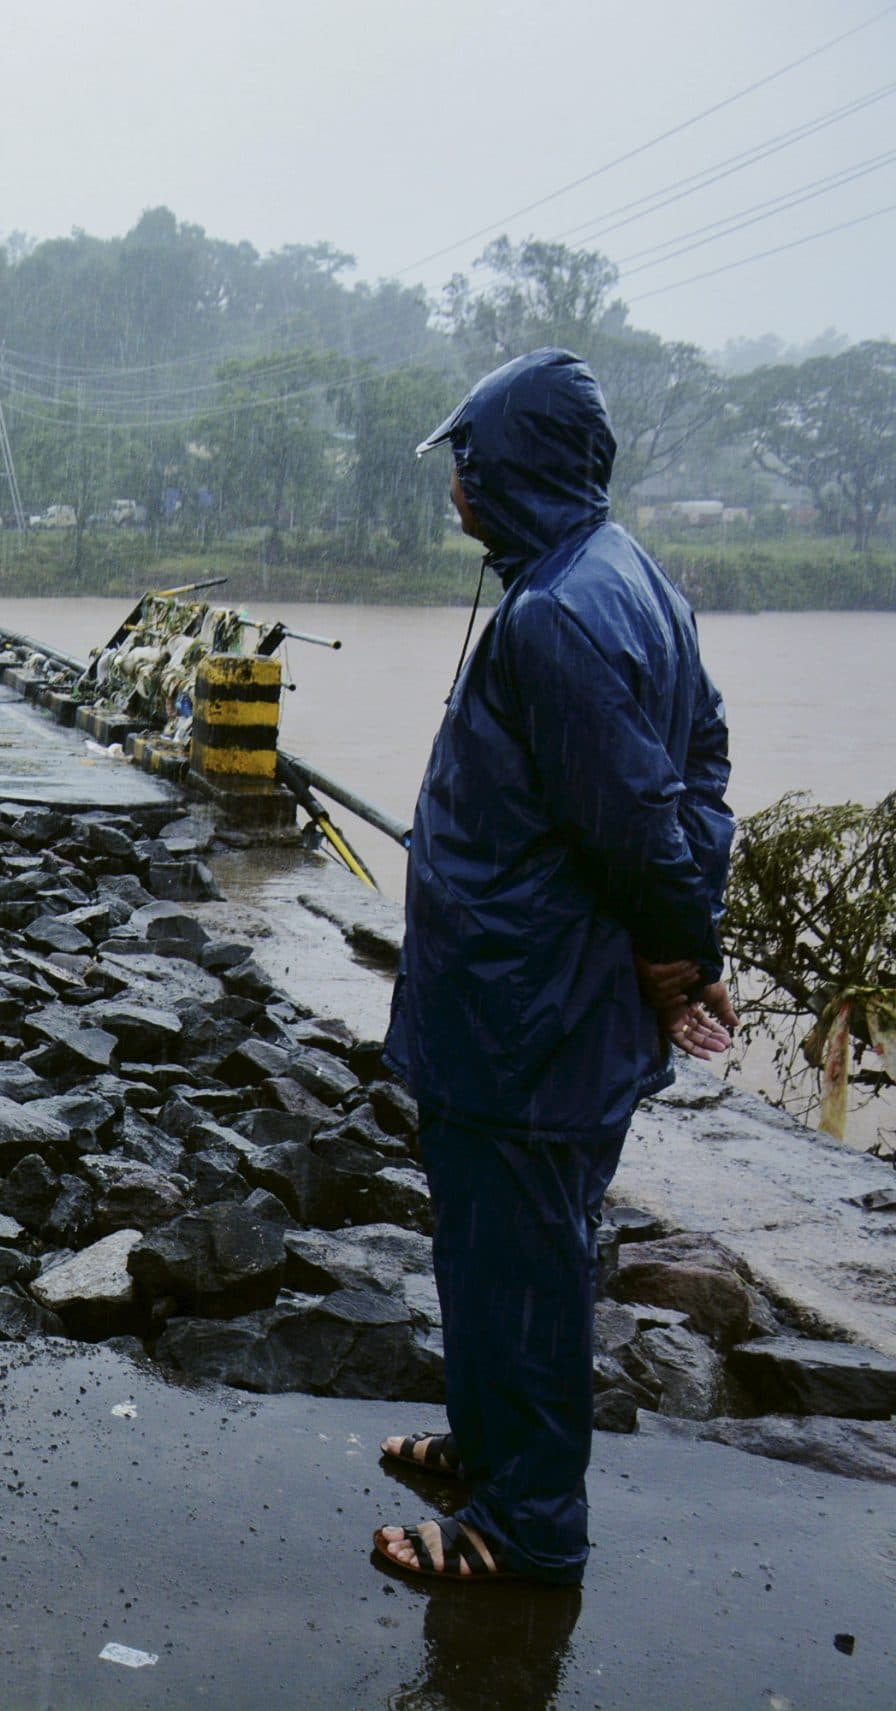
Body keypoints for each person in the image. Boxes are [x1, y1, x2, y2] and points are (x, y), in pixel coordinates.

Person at [371, 349, 735, 1587]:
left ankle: (523, 1528)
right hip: (532, 1004)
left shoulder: (558, 615)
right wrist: (690, 942)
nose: (457, 490)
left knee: (520, 1266)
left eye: (469, 463)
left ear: (516, 466)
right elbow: (703, 766)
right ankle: (488, 1446)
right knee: (491, 1250)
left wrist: (682, 951)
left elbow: (639, 819)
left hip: (528, 1017)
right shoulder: (619, 575)